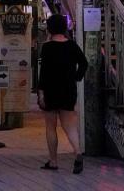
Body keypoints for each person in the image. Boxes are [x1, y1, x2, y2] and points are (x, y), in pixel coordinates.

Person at [38, 14, 88, 174]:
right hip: (68, 89)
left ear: (50, 28)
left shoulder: (47, 47)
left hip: (51, 90)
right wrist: (76, 77)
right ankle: (78, 152)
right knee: (70, 125)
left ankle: (53, 161)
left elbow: (43, 73)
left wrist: (41, 93)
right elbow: (84, 63)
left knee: (51, 127)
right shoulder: (72, 45)